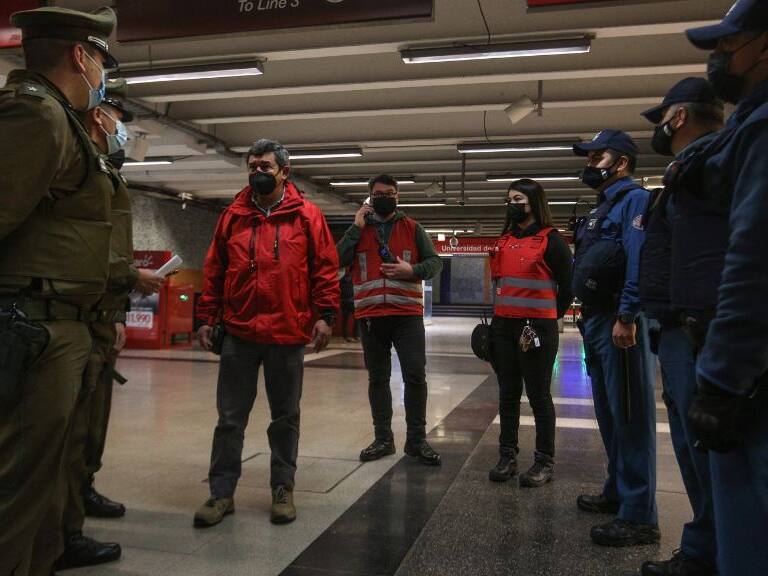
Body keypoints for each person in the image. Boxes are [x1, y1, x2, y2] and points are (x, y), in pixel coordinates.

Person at [0, 7, 119, 576]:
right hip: (32, 326)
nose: (101, 71)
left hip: (57, 324)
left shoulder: (60, 118)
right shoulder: (35, 114)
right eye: (100, 57)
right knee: (16, 490)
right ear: (80, 54)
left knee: (44, 482)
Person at [194, 139, 340, 527]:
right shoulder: (232, 216)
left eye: (266, 167)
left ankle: (282, 488)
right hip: (239, 332)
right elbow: (214, 270)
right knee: (229, 419)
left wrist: (325, 315)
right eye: (253, 166)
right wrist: (206, 317)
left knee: (285, 417)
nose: (258, 172)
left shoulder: (307, 215)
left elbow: (324, 269)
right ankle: (221, 493)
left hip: (288, 332)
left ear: (284, 172)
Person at [54, 80, 165, 570]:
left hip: (100, 317)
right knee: (66, 435)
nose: (124, 129)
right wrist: (129, 278)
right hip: (72, 320)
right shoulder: (74, 168)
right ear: (100, 117)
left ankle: (81, 497)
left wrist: (116, 310)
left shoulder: (107, 173)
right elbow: (89, 254)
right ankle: (62, 531)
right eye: (119, 118)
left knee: (89, 426)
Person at [685, 2, 768, 574]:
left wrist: (719, 375)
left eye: (728, 43)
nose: (719, 57)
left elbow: (754, 257)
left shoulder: (763, 129)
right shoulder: (748, 129)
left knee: (748, 522)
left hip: (750, 370)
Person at [637, 78, 724, 576]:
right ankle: (706, 546)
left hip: (696, 331)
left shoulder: (710, 165)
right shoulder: (688, 172)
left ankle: (710, 553)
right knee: (695, 450)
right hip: (677, 327)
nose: (661, 130)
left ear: (681, 117)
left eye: (663, 120)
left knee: (710, 452)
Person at [571, 130, 658, 547]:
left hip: (619, 322)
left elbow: (637, 259)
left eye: (595, 156)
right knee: (609, 414)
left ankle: (640, 515)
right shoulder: (602, 207)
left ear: (620, 162)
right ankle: (618, 490)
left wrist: (628, 313)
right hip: (596, 321)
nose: (589, 163)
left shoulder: (635, 201)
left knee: (630, 415)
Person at [337, 174, 443, 466]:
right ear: (370, 197)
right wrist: (355, 227)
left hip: (406, 316)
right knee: (378, 378)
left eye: (392, 193)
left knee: (414, 374)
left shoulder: (412, 228)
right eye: (380, 193)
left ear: (398, 197)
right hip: (371, 317)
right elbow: (335, 259)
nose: (386, 197)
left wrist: (412, 270)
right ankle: (383, 439)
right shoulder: (359, 231)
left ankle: (417, 440)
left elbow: (435, 262)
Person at [487, 179, 573, 487]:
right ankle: (507, 455)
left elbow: (567, 286)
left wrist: (548, 319)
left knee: (538, 396)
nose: (512, 204)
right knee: (508, 394)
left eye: (518, 199)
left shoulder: (552, 240)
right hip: (503, 327)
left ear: (534, 203)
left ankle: (544, 461)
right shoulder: (505, 240)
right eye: (509, 198)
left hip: (536, 328)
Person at [340, 269, 358, 341]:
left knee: (350, 319)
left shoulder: (352, 278)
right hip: (346, 301)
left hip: (349, 301)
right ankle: (348, 336)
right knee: (346, 319)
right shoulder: (342, 280)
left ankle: (353, 335)